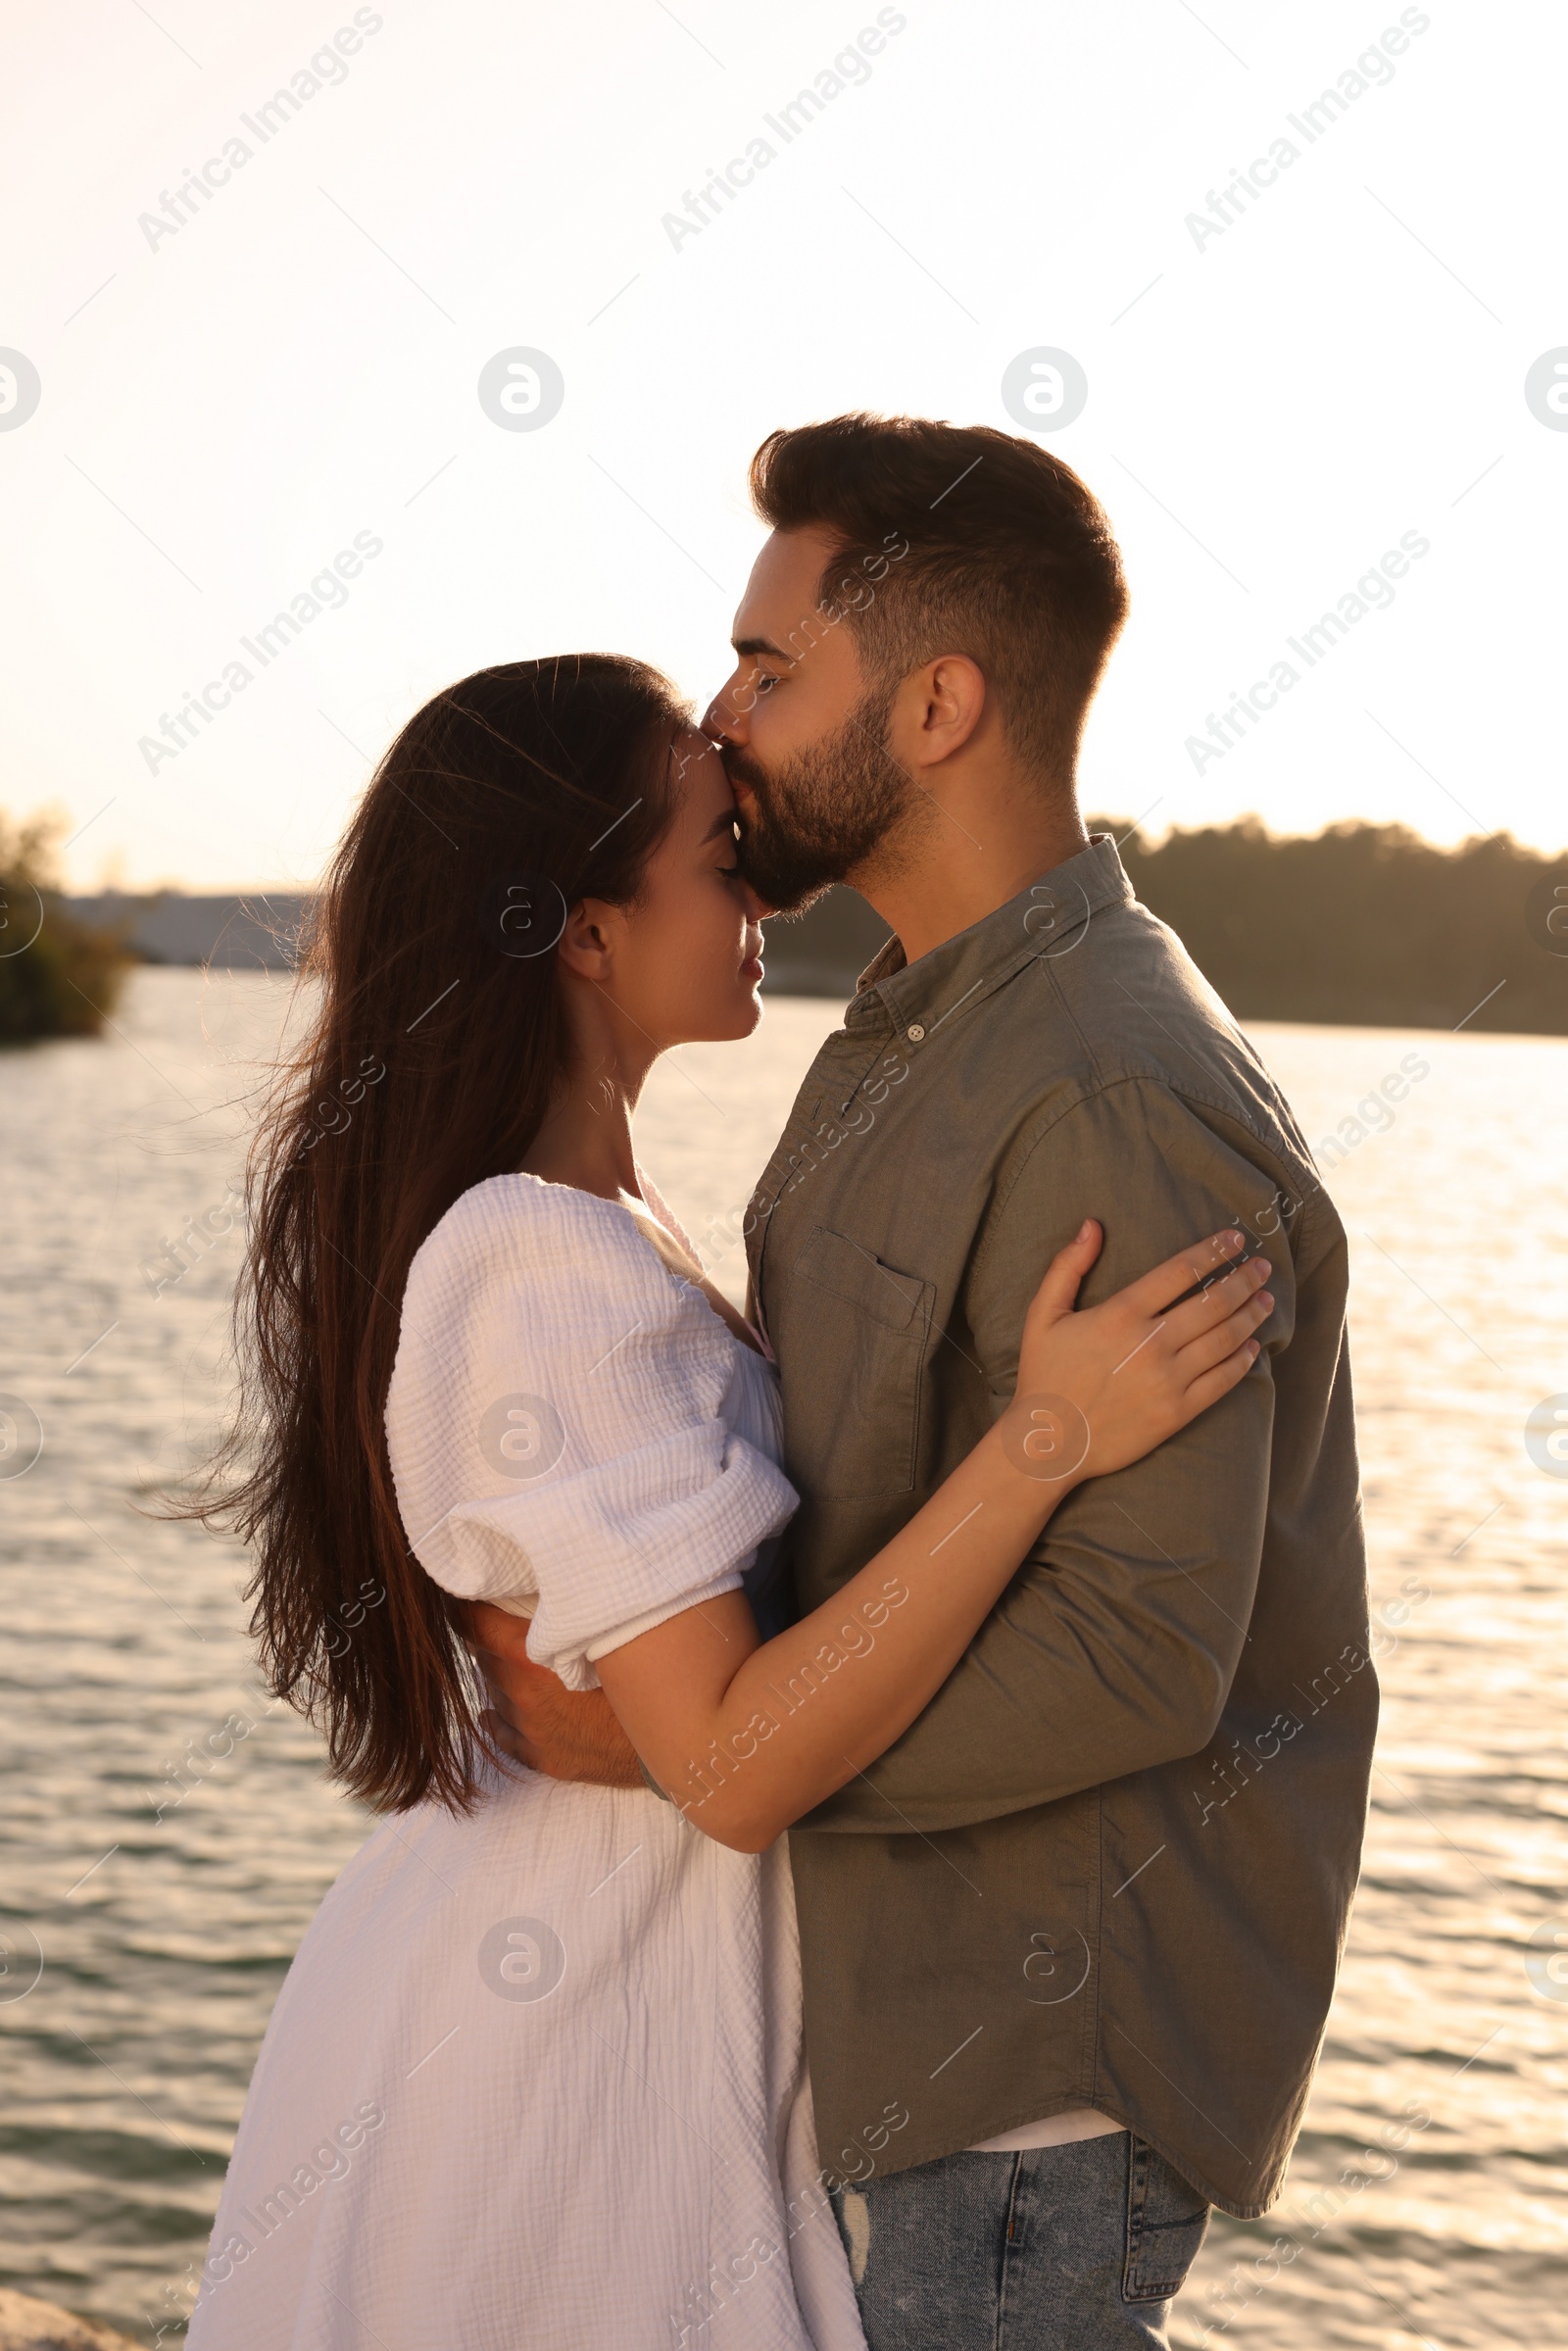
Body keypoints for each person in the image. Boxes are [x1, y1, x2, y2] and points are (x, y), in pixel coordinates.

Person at [182, 651, 1270, 2350]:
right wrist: (1043, 1444)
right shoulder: (542, 1259)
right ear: (585, 930)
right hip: (570, 2020)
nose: (758, 883)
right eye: (716, 851)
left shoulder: (604, 1229)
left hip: (592, 1961)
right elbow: (739, 1763)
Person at [479, 417, 1378, 2349]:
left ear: (941, 703)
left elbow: (1145, 1652)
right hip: (895, 2037)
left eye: (769, 669)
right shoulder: (906, 1027)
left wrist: (696, 1745)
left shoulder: (1111, 1088)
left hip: (1024, 2079)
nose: (719, 723)